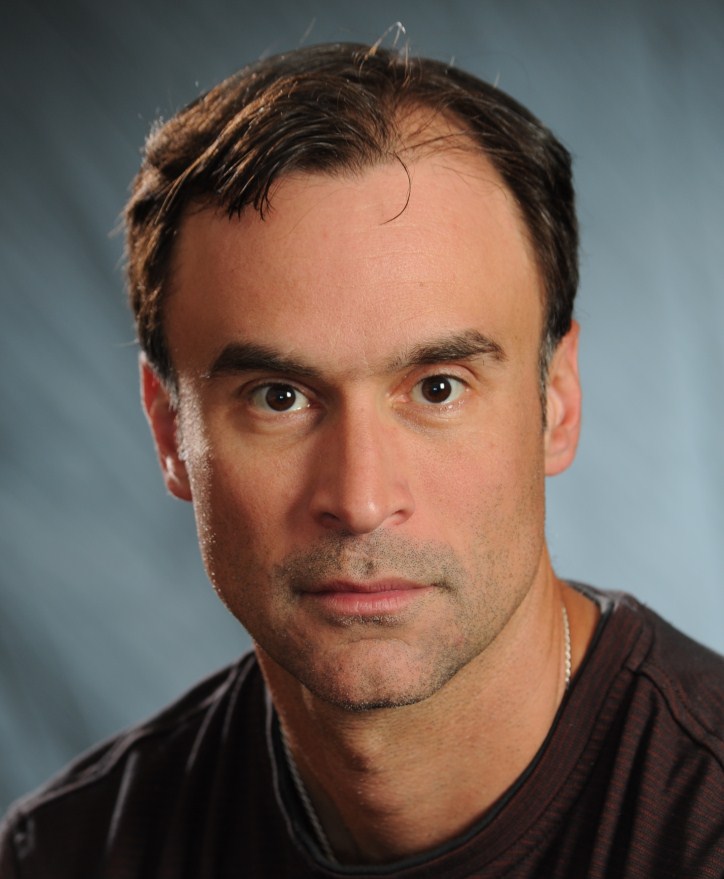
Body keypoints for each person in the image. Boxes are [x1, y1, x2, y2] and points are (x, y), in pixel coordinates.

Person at [1, 41, 722, 879]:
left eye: (439, 388)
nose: (361, 498)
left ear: (555, 403)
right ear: (170, 432)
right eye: (278, 397)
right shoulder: (70, 855)